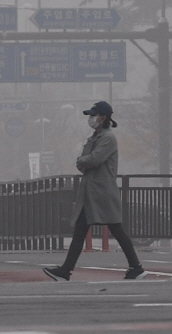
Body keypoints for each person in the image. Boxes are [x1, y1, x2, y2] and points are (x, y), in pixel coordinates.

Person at [43, 101, 146, 281]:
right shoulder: (95, 137)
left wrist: (83, 160)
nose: (91, 119)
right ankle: (66, 270)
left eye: (93, 115)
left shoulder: (107, 138)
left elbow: (93, 159)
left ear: (103, 117)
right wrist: (83, 161)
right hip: (91, 191)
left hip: (102, 191)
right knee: (82, 230)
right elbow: (84, 162)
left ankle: (136, 268)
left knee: (116, 228)